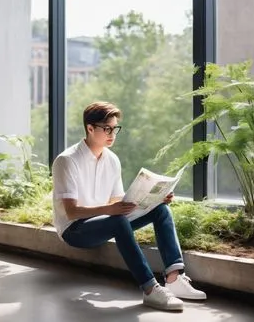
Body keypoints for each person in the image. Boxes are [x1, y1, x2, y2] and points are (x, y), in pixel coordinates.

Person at [52, 101, 206, 312]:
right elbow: (71, 212)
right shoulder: (67, 161)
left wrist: (154, 199)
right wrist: (109, 211)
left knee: (161, 211)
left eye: (115, 129)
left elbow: (118, 203)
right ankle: (151, 289)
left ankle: (174, 278)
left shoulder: (112, 159)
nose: (112, 134)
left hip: (106, 222)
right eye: (107, 129)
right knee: (117, 220)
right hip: (75, 230)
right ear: (90, 128)